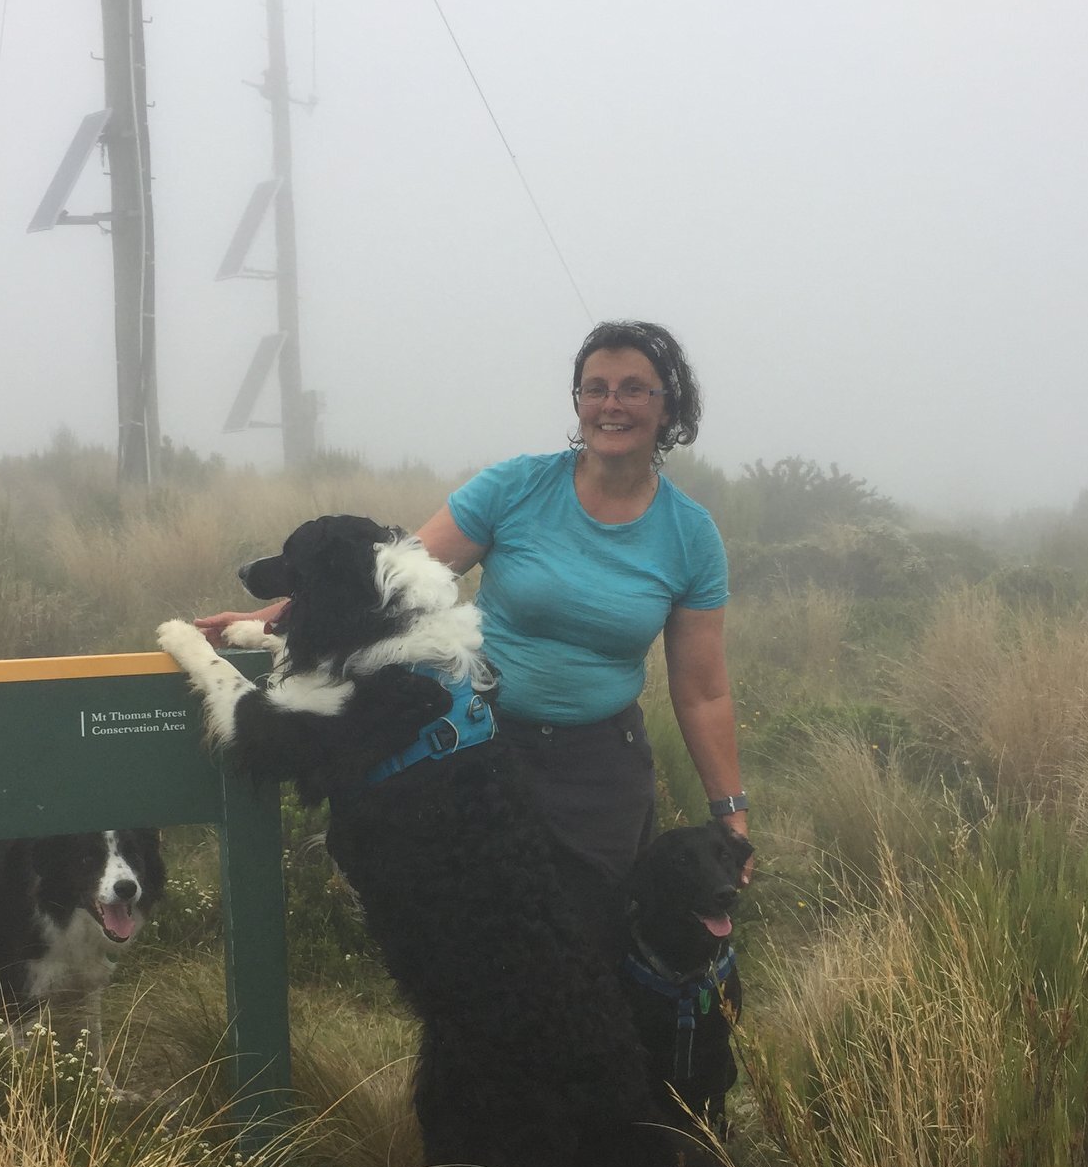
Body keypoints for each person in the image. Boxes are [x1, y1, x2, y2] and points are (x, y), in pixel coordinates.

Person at [196, 319, 749, 943]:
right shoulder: (517, 486)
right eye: (594, 388)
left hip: (601, 771)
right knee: (477, 941)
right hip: (481, 748)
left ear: (668, 403)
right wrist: (265, 617)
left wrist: (730, 812)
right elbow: (389, 581)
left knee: (592, 943)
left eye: (633, 389)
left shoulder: (690, 535)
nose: (611, 405)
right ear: (577, 402)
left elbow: (703, 693)